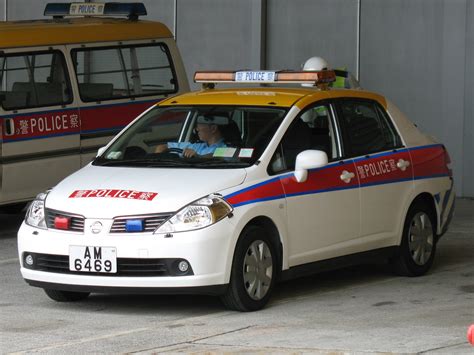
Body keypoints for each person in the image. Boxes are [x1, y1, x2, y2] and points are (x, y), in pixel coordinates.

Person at [155, 114, 228, 158]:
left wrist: (198, 157)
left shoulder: (227, 148)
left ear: (213, 128)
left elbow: (217, 157)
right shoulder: (196, 146)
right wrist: (157, 159)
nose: (196, 129)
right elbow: (162, 147)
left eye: (199, 125)